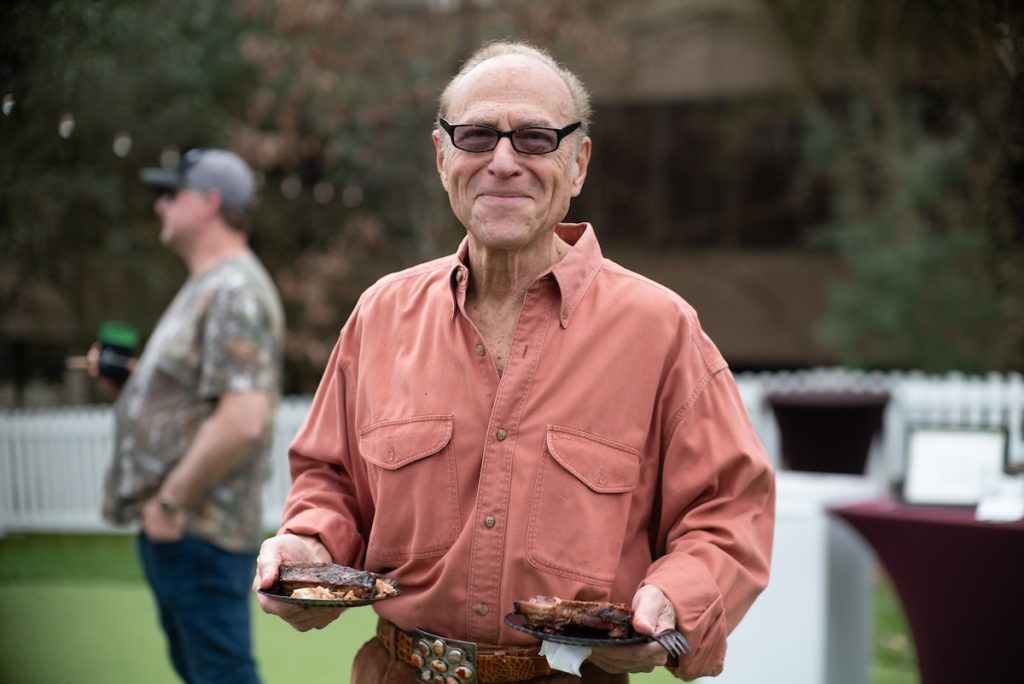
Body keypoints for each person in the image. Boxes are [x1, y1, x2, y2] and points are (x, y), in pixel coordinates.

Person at [254, 41, 774, 683]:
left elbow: (727, 513)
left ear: (577, 164)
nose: (503, 162)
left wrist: (674, 602)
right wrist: (308, 546)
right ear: (443, 156)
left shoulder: (661, 329)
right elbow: (330, 481)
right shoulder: (380, 315)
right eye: (476, 136)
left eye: (534, 138)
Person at [93, 148, 284, 684]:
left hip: (198, 531)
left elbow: (244, 416)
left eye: (170, 195)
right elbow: (201, 398)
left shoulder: (234, 290)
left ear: (208, 203)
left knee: (221, 676)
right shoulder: (210, 286)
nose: (160, 207)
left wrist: (170, 504)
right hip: (186, 533)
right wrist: (131, 383)